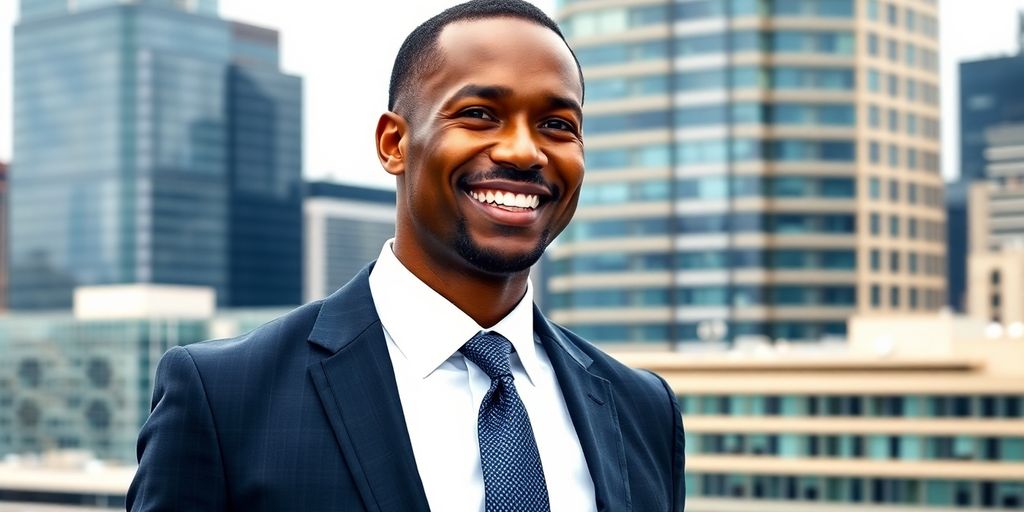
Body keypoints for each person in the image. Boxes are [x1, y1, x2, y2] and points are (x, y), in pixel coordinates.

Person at [127, 0, 685, 510]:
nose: (523, 150)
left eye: (558, 125)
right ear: (394, 143)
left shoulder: (644, 409)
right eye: (479, 114)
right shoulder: (224, 397)